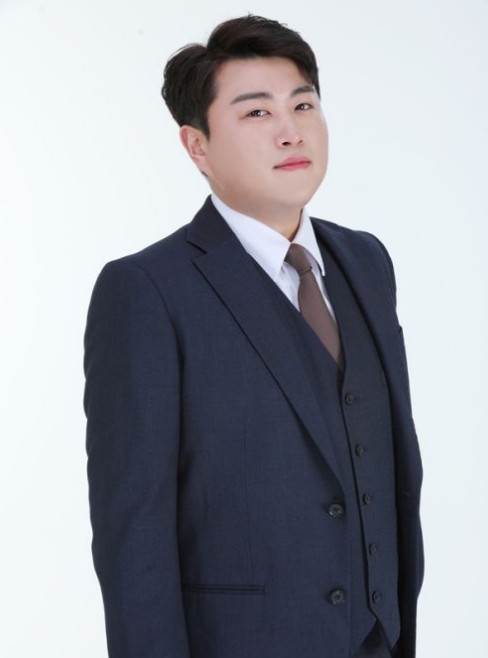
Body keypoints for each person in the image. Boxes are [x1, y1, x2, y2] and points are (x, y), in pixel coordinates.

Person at [84, 15, 423, 658]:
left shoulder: (366, 260)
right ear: (198, 146)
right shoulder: (147, 290)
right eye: (257, 112)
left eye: (303, 105)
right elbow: (134, 534)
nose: (290, 130)